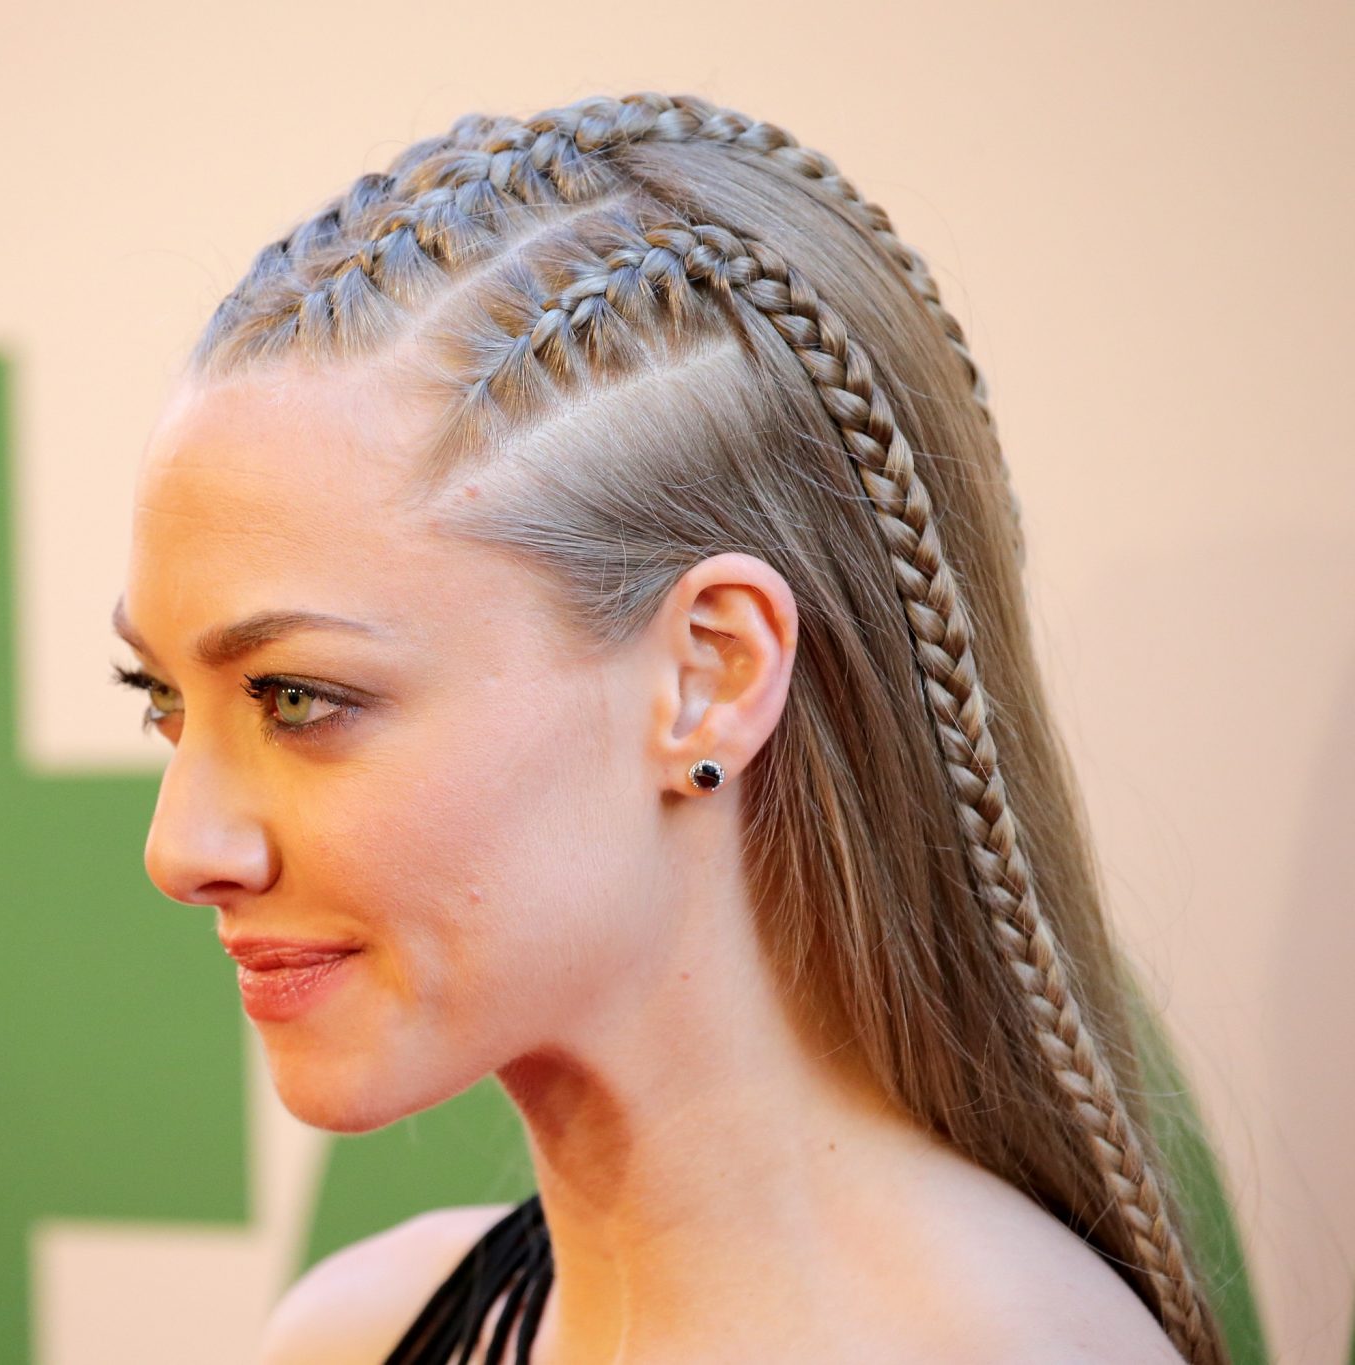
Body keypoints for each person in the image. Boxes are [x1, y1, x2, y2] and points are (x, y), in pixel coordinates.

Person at [110, 90, 1230, 1364]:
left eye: (297, 698)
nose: (180, 849)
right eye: (162, 700)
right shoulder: (358, 1332)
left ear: (708, 677)